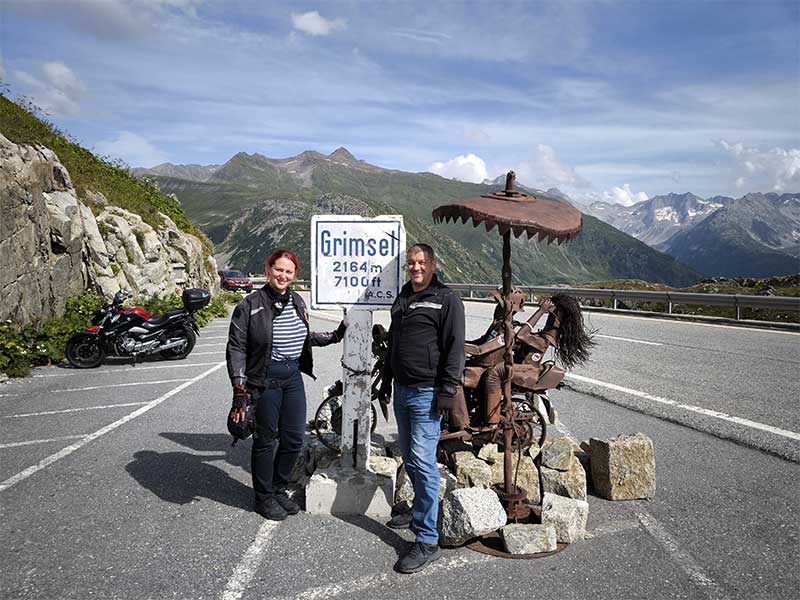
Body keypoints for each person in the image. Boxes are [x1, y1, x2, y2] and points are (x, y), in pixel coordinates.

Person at [226, 249, 345, 521]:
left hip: (292, 377)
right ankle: (263, 497)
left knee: (293, 439)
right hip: (264, 380)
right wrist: (240, 389)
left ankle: (278, 488)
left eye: (288, 271)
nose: (283, 275)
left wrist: (335, 335)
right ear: (268, 270)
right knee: (266, 440)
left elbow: (304, 337)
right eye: (278, 269)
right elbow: (236, 348)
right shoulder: (250, 305)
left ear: (294, 275)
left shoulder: (297, 301)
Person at [378, 243, 465, 574]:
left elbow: (455, 348)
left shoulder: (446, 299)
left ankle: (428, 540)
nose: (415, 267)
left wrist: (447, 392)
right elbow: (394, 346)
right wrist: (385, 383)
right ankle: (418, 513)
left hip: (427, 393)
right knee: (412, 458)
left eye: (421, 262)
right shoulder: (403, 298)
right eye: (411, 263)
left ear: (432, 264)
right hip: (401, 390)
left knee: (424, 462)